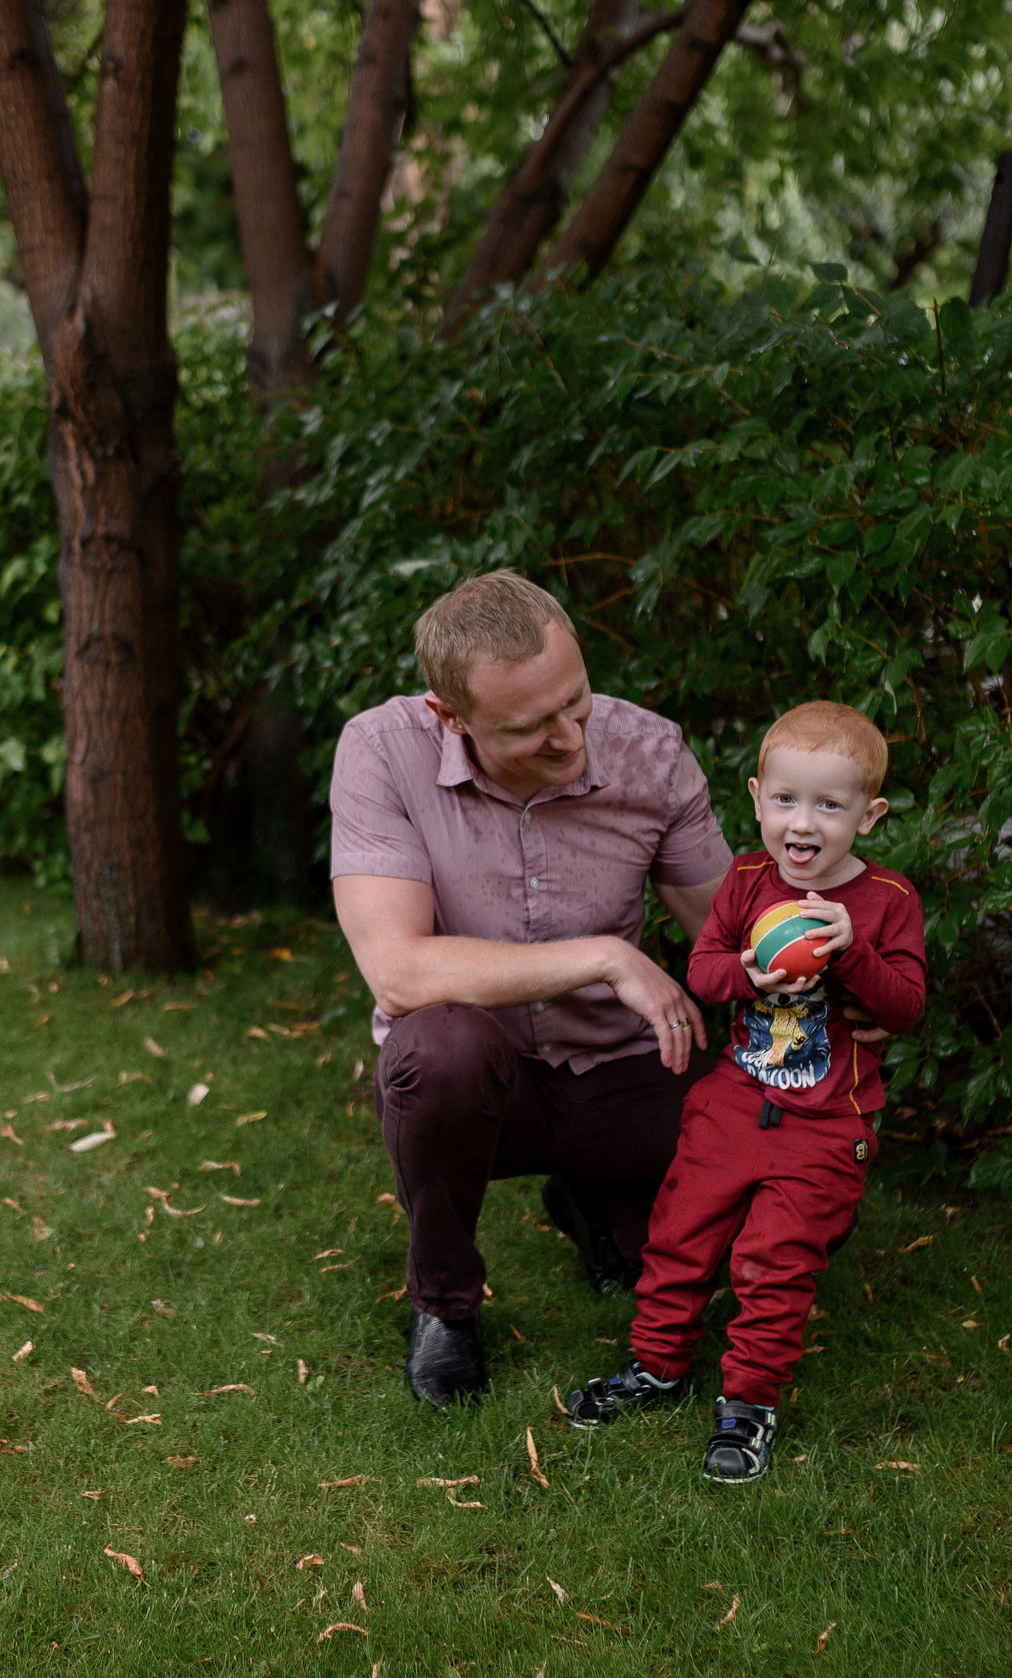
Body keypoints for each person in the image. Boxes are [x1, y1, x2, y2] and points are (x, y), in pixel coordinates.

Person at [329, 571, 732, 1405]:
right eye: (528, 726)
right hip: (483, 1085)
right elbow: (398, 971)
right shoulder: (382, 751)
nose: (569, 737)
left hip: (625, 1072)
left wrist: (841, 989)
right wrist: (606, 957)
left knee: (777, 1182)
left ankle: (600, 1200)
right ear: (451, 716)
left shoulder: (650, 751)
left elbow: (727, 935)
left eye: (575, 701)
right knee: (439, 1050)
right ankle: (445, 1302)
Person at [561, 701, 925, 1482]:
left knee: (773, 1262)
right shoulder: (748, 879)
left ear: (869, 816)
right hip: (733, 1101)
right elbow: (702, 969)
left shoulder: (888, 900)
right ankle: (657, 1363)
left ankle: (749, 1404)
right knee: (678, 1233)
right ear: (757, 798)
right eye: (786, 799)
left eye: (830, 805)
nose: (804, 822)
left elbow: (905, 1007)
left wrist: (852, 952)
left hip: (825, 1121)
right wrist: (748, 974)